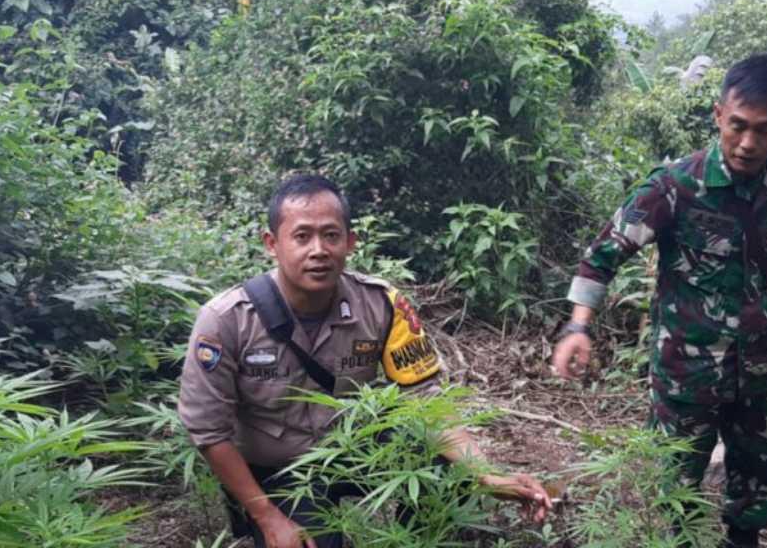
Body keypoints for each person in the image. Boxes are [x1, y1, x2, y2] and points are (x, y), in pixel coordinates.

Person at [551, 54, 767, 548]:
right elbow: (602, 256)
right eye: (737, 125)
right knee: (675, 485)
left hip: (759, 364)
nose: (747, 142)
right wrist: (577, 327)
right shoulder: (675, 185)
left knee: (756, 478)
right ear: (718, 114)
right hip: (686, 370)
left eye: (765, 129)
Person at [179, 174, 551, 548]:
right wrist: (268, 517)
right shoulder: (227, 319)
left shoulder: (382, 304)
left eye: (331, 235)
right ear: (272, 244)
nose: (319, 249)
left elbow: (425, 398)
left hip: (350, 451)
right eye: (302, 236)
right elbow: (209, 431)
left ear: (350, 242)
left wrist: (484, 473)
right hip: (277, 471)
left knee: (444, 470)